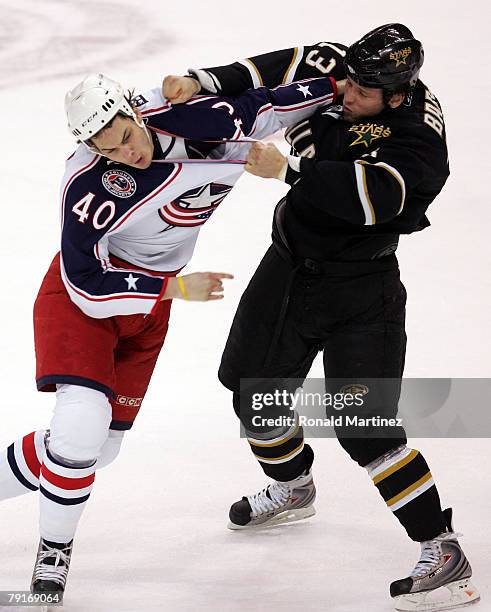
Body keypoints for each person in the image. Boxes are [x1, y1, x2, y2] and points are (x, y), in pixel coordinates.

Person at [163, 24, 480, 611]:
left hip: (362, 291)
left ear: (397, 93)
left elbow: (380, 197)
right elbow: (279, 66)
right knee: (250, 393)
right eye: (348, 78)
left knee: (365, 429)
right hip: (288, 270)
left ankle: (443, 551)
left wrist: (289, 171)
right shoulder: (347, 71)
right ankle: (293, 487)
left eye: (363, 90)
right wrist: (201, 81)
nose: (345, 91)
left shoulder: (417, 136)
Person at [0, 72, 339, 596]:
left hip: (150, 307)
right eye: (108, 150)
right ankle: (53, 553)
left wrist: (350, 86)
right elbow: (87, 285)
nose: (128, 154)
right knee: (79, 426)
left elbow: (279, 100)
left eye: (127, 138)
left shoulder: (205, 122)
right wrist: (173, 287)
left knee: (96, 451)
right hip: (84, 299)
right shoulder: (87, 182)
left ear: (135, 114)